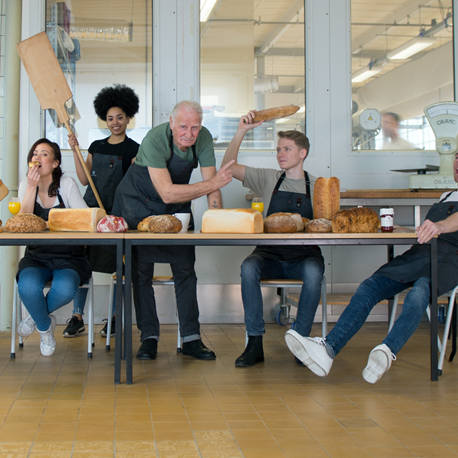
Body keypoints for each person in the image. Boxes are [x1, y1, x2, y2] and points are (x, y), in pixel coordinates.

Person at [286, 140, 458, 383]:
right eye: (457, 156)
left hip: (450, 261)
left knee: (420, 291)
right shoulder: (445, 196)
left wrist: (439, 226)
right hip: (420, 254)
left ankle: (386, 352)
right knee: (370, 286)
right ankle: (328, 349)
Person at [112, 100, 234, 361]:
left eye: (195, 127)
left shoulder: (203, 139)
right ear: (171, 123)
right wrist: (213, 183)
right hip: (138, 201)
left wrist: (218, 220)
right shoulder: (155, 139)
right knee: (141, 273)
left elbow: (213, 185)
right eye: (183, 127)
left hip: (176, 204)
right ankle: (149, 338)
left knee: (185, 270)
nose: (189, 134)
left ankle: (191, 338)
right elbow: (168, 192)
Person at [222, 112, 324, 367]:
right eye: (278, 149)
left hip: (305, 256)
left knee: (314, 272)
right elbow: (228, 167)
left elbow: (327, 225)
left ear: (303, 153)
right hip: (269, 255)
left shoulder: (319, 187)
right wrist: (241, 131)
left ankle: (301, 341)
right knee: (248, 266)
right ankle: (254, 343)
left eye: (287, 149)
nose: (280, 154)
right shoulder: (268, 178)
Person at [66, 84, 140, 339]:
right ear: (104, 120)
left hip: (117, 216)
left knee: (119, 268)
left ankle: (115, 317)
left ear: (128, 118)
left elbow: (133, 185)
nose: (115, 122)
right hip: (91, 214)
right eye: (110, 118)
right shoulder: (95, 146)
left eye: (120, 117)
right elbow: (83, 179)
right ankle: (77, 317)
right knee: (82, 264)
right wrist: (75, 151)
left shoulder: (134, 149)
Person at [16, 139, 92, 357]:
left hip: (69, 256)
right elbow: (23, 222)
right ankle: (45, 328)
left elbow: (84, 218)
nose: (37, 158)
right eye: (34, 154)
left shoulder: (66, 184)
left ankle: (36, 318)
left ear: (55, 162)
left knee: (66, 289)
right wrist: (31, 187)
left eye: (44, 154)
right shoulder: (25, 185)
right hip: (37, 255)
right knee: (27, 287)